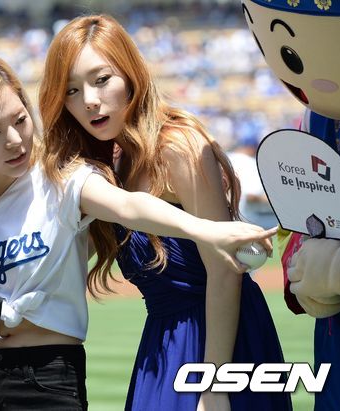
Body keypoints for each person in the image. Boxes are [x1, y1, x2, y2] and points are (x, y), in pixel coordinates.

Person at [0, 53, 277, 411]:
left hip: (48, 379)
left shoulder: (62, 178)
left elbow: (129, 206)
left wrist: (205, 230)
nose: (15, 140)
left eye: (20, 119)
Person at [39, 15, 291, 411]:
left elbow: (225, 271)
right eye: (71, 90)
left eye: (101, 79)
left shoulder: (178, 145)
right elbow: (63, 258)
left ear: (131, 74)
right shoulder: (109, 165)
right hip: (162, 341)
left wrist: (214, 386)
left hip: (220, 342)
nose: (88, 100)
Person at [242, 1, 340, 409]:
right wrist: (305, 268)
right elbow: (309, 221)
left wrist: (338, 267)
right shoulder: (320, 119)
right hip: (338, 348)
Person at [227, 135, 277, 230]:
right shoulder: (251, 163)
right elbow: (251, 196)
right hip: (244, 222)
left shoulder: (227, 157)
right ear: (253, 148)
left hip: (222, 220)